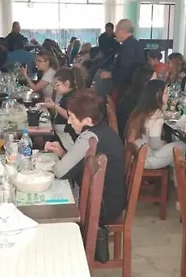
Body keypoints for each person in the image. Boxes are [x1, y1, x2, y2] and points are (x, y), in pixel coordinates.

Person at [45, 89, 126, 223]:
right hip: (112, 200)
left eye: (72, 117)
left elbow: (59, 171)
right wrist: (63, 153)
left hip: (101, 207)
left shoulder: (90, 137)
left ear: (87, 120)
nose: (69, 122)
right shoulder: (102, 127)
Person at [127, 79, 186, 173]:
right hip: (145, 160)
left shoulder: (141, 110)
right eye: (165, 92)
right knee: (181, 146)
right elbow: (155, 145)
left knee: (172, 151)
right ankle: (178, 179)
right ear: (158, 95)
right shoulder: (157, 115)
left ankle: (173, 177)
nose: (168, 95)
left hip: (134, 155)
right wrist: (163, 143)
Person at [45, 66, 85, 151]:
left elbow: (69, 115)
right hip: (61, 130)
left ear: (67, 83)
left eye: (57, 85)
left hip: (67, 132)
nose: (55, 88)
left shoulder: (73, 97)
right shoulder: (66, 95)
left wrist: (54, 106)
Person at [104, 19, 145, 92]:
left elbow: (126, 70)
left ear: (122, 31)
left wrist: (110, 74)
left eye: (116, 30)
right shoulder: (135, 44)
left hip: (125, 88)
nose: (114, 33)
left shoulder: (127, 46)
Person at [116, 65, 154, 139]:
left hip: (126, 132)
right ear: (145, 82)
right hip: (133, 137)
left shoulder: (132, 92)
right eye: (154, 80)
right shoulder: (140, 100)